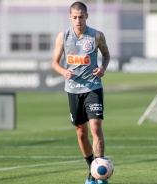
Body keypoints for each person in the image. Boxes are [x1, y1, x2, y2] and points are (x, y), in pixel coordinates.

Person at [51, 2, 110, 184]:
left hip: (93, 87)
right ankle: (92, 168)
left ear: (87, 16)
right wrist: (63, 72)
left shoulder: (96, 36)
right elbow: (54, 63)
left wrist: (103, 68)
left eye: (81, 17)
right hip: (73, 90)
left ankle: (97, 174)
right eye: (75, 17)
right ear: (70, 17)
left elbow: (106, 55)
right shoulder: (63, 36)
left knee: (95, 128)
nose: (78, 20)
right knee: (81, 132)